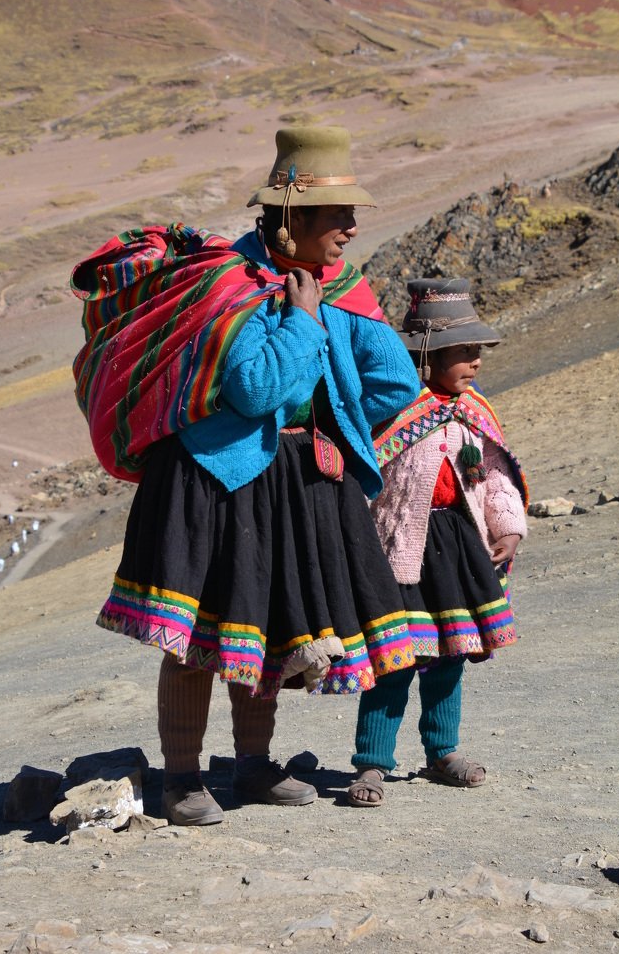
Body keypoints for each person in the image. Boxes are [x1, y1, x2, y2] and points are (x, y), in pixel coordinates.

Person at [71, 125, 421, 826]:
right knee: (198, 637)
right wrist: (299, 320)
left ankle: (255, 767)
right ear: (290, 217)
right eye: (336, 216)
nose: (351, 228)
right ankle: (181, 780)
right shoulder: (227, 284)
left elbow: (396, 379)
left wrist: (336, 364)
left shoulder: (321, 288)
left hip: (291, 477)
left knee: (262, 629)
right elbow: (258, 389)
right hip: (214, 478)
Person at [347, 278, 528, 807]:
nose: (475, 362)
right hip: (400, 549)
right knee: (394, 656)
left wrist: (509, 526)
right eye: (464, 352)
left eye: (477, 352)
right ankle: (373, 764)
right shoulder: (392, 408)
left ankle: (442, 752)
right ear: (427, 356)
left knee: (452, 652)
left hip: (458, 546)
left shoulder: (475, 412)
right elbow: (364, 476)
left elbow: (496, 476)